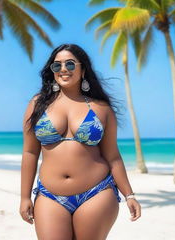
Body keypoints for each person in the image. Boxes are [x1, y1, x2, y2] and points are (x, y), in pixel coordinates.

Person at [19, 43, 141, 240]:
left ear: (83, 69)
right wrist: (25, 197)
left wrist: (130, 195)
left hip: (97, 193)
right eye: (56, 65)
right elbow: (30, 153)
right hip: (50, 195)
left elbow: (113, 156)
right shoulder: (37, 104)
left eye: (70, 64)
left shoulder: (102, 108)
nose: (63, 69)